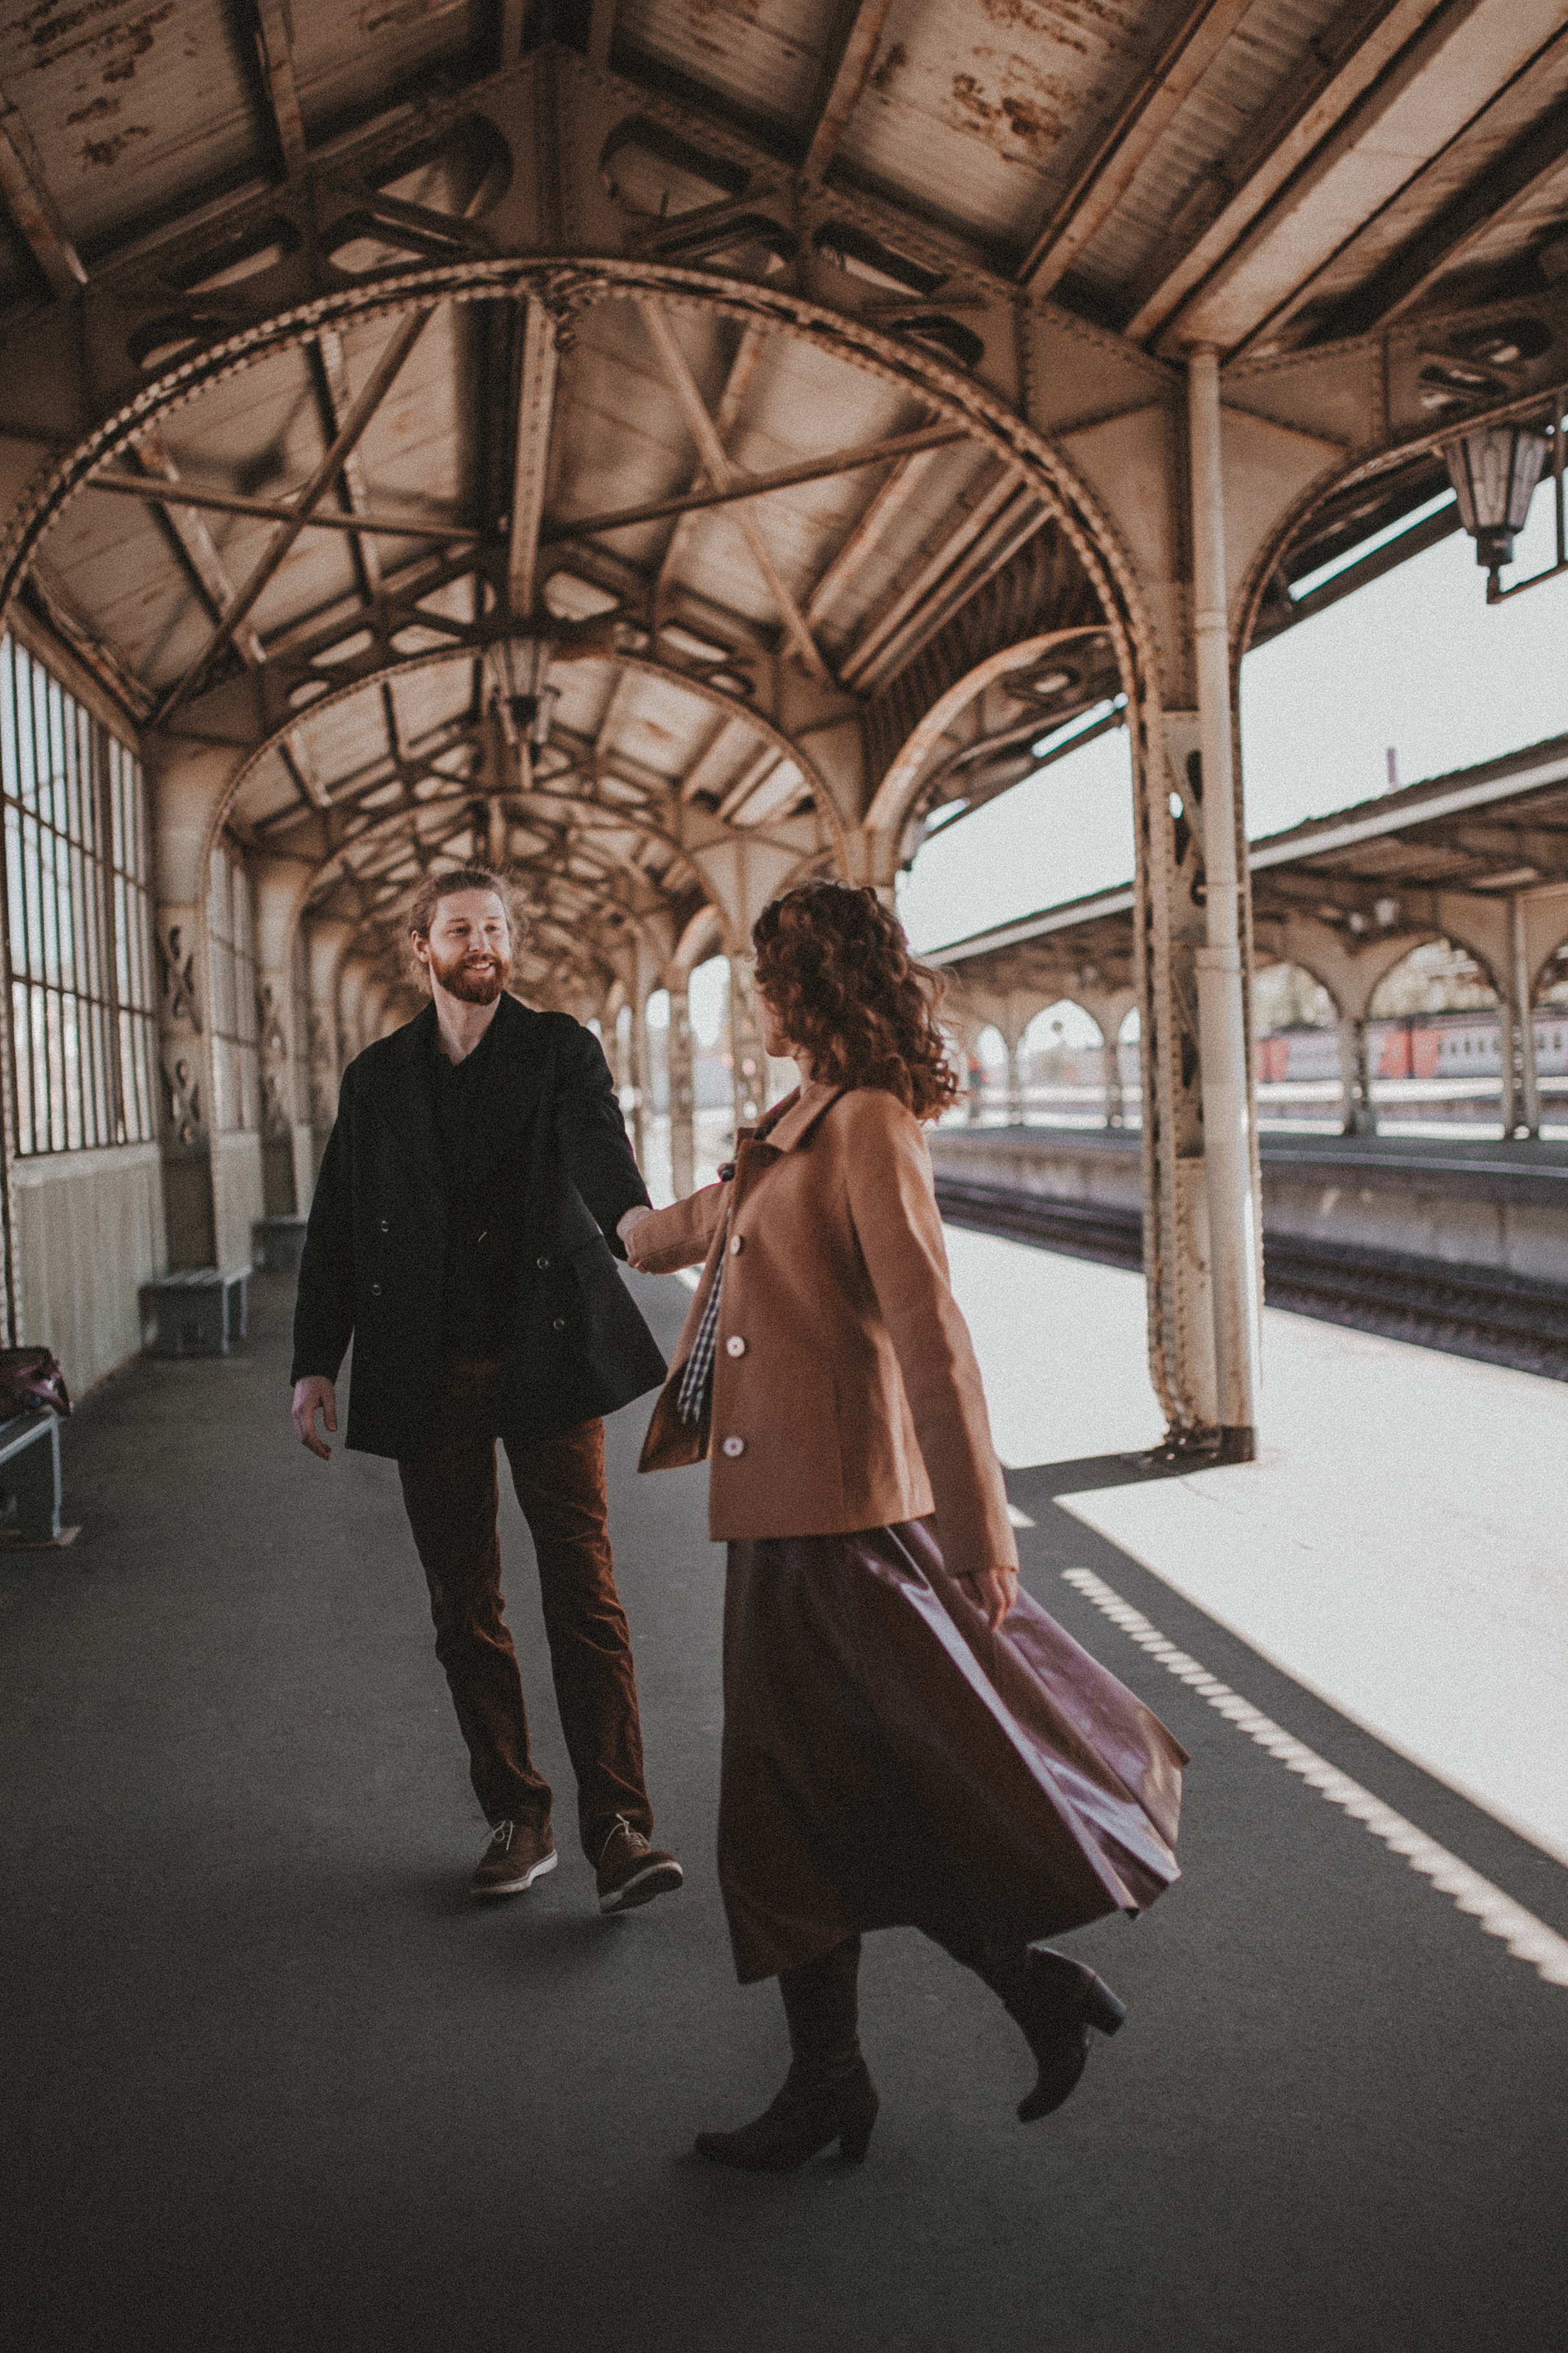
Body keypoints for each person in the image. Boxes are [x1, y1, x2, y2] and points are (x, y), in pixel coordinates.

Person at [626, 882, 1186, 2171]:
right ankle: (907, 2042)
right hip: (783, 1524)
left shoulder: (868, 1124)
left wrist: (983, 1532)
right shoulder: (800, 1119)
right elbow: (706, 1226)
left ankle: (877, 2059)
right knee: (834, 1799)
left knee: (813, 1801)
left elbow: (933, 1335)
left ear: (810, 986)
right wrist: (618, 1214)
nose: (751, 998)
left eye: (763, 976)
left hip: (841, 1524)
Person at [290, 867, 683, 1916]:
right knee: (464, 1605)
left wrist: (636, 1222)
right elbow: (338, 1220)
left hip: (546, 1356)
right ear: (421, 945)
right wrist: (312, 1360)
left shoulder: (559, 1050)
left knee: (583, 1588)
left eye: (497, 926)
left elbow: (599, 1147)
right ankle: (518, 1813)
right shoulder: (377, 1079)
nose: (483, 942)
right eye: (461, 927)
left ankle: (619, 1825)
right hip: (429, 1365)